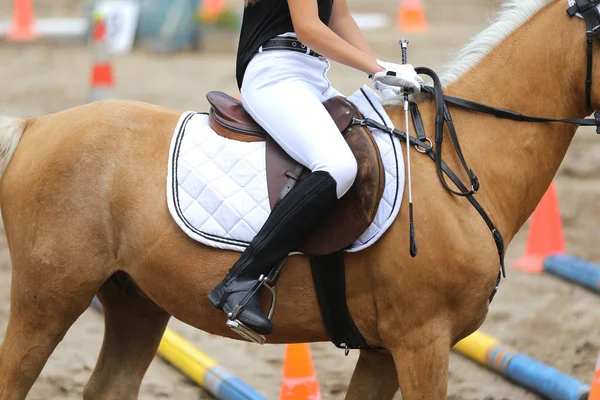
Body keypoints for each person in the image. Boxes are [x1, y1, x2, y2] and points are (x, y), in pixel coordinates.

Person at [208, 0, 423, 338]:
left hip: (313, 75)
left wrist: (379, 73)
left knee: (383, 143)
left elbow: (340, 16)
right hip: (274, 72)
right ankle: (241, 279)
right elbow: (308, 27)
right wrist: (377, 65)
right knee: (337, 166)